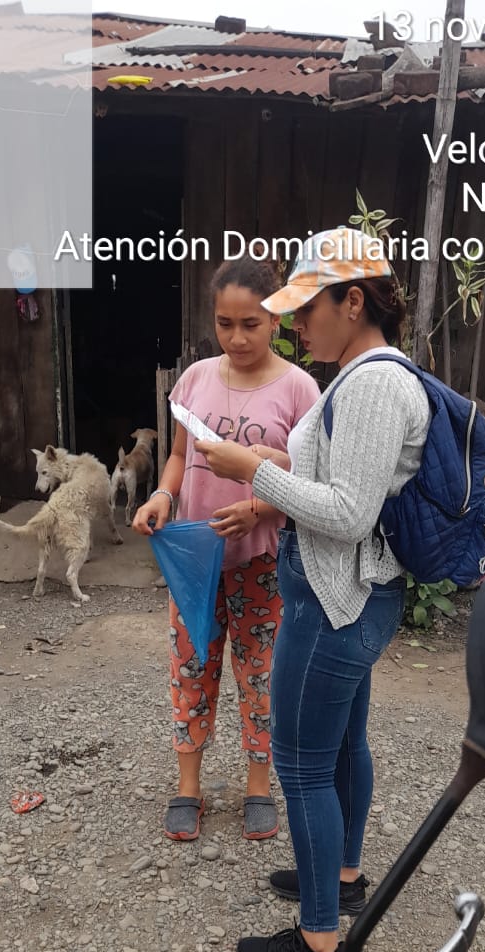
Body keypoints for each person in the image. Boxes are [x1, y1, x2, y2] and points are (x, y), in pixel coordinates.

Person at [194, 228, 432, 952]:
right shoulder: (363, 375)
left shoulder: (370, 386)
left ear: (353, 301)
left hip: (335, 601)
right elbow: (335, 476)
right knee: (343, 746)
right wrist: (270, 464)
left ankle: (320, 942)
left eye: (306, 309)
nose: (295, 325)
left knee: (299, 765)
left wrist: (251, 472)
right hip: (356, 595)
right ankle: (343, 877)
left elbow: (348, 512)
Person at [133, 258, 320, 843]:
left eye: (251, 324)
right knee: (191, 666)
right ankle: (188, 787)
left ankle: (258, 787)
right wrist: (163, 496)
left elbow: (310, 479)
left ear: (276, 321)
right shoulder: (194, 380)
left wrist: (259, 509)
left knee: (262, 674)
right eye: (224, 324)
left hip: (262, 562)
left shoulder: (299, 389)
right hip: (195, 559)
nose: (236, 338)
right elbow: (178, 456)